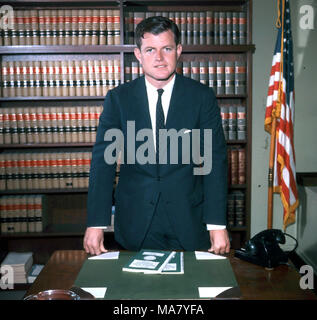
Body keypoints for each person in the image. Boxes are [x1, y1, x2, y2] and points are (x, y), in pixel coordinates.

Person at [83, 16, 230, 256]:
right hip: (135, 222)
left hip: (189, 220)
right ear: (138, 54)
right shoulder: (118, 99)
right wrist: (96, 223)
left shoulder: (201, 97)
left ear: (178, 51)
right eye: (150, 49)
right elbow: (103, 163)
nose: (159, 58)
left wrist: (216, 224)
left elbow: (214, 163)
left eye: (167, 49)